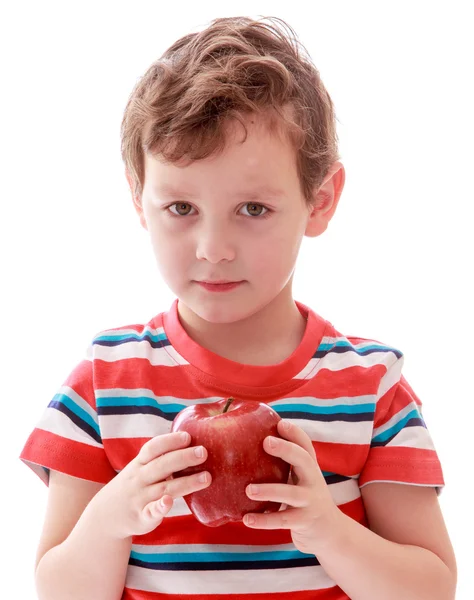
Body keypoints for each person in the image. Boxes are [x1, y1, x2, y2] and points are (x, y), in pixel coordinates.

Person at [20, 15, 457, 600]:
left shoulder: (371, 389)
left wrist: (326, 530)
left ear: (320, 201)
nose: (213, 250)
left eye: (252, 208)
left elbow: (430, 589)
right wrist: (111, 519)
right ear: (139, 201)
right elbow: (59, 589)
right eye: (180, 208)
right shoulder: (103, 384)